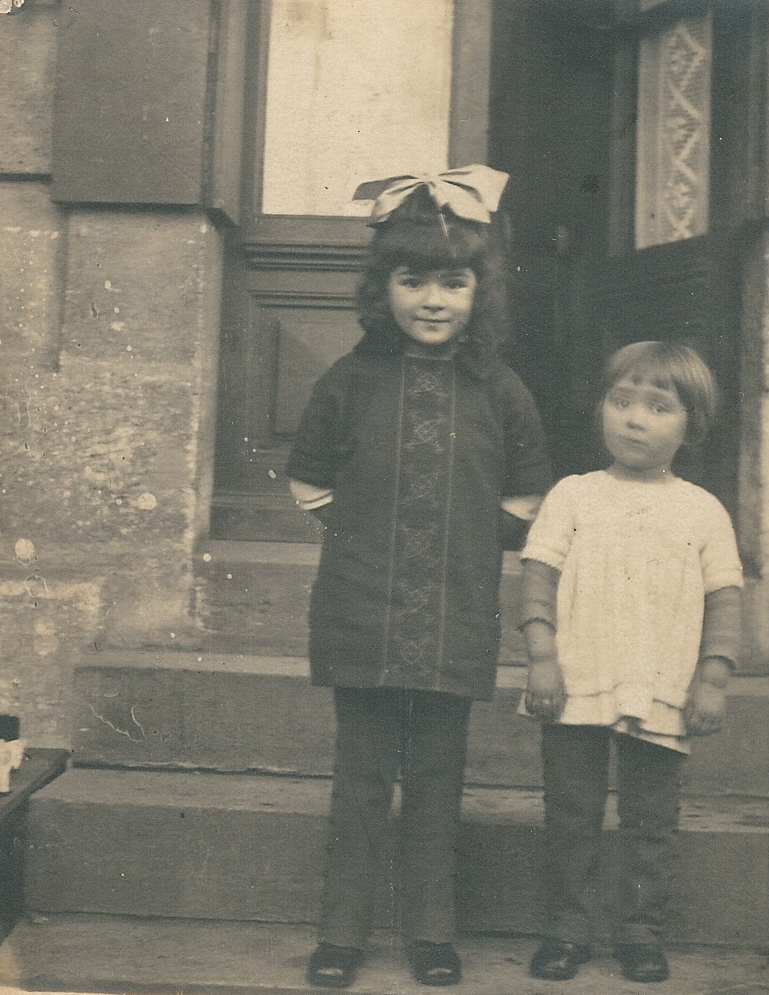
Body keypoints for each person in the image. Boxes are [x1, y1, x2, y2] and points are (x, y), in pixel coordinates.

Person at [286, 166, 553, 988]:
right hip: (362, 608)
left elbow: (527, 492)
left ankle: (432, 929)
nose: (433, 301)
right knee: (362, 776)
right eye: (413, 281)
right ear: (383, 288)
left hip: (453, 611)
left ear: (480, 291)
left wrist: (458, 542)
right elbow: (309, 479)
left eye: (453, 283)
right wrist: (372, 535)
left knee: (438, 777)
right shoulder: (349, 380)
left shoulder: (502, 390)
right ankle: (342, 931)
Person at [518, 341, 743, 983]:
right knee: (571, 814)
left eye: (658, 407)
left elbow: (725, 601)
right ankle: (567, 929)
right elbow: (537, 579)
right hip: (577, 681)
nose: (635, 419)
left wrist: (713, 679)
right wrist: (542, 659)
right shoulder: (573, 495)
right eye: (621, 402)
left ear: (692, 427)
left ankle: (641, 931)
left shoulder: (703, 510)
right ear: (601, 410)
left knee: (651, 821)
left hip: (661, 685)